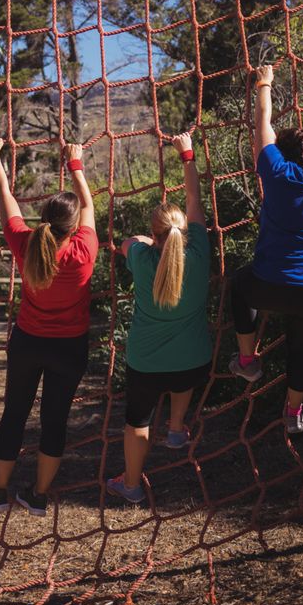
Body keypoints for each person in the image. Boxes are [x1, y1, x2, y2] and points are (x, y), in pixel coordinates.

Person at [0, 140, 98, 517]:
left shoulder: (27, 245)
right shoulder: (84, 250)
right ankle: (39, 494)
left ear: (44, 219)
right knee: (55, 419)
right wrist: (75, 163)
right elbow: (91, 206)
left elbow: (5, 197)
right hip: (70, 348)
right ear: (73, 227)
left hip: (28, 342)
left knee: (14, 413)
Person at [228, 56, 303, 434]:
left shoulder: (276, 173)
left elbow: (261, 124)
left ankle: (248, 361)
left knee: (238, 287)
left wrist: (265, 81)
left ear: (281, 153)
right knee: (301, 347)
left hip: (272, 286)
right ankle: (293, 413)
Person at [106, 132, 211, 505]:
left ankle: (131, 484)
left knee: (137, 420)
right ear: (185, 232)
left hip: (146, 365)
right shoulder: (200, 252)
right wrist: (187, 152)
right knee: (184, 373)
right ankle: (178, 428)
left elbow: (125, 244)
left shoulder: (143, 258)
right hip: (194, 364)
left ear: (155, 235)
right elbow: (196, 199)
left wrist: (144, 243)